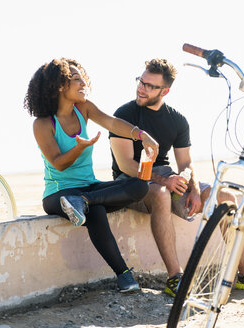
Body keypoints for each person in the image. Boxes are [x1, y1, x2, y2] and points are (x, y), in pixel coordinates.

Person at [109, 58, 244, 297]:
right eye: (141, 81)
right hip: (130, 182)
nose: (141, 88)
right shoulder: (123, 115)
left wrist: (195, 190)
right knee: (161, 193)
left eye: (149, 86)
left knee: (226, 196)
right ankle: (175, 277)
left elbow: (185, 164)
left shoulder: (177, 119)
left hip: (166, 177)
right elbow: (126, 165)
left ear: (165, 91)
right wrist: (165, 181)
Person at [24, 58, 159, 293]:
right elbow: (58, 164)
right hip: (59, 194)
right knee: (95, 211)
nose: (83, 82)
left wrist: (142, 135)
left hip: (88, 189)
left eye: (82, 77)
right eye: (76, 79)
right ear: (59, 86)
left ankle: (84, 202)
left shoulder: (84, 109)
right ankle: (124, 275)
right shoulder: (43, 124)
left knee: (140, 186)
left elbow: (112, 122)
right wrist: (79, 147)